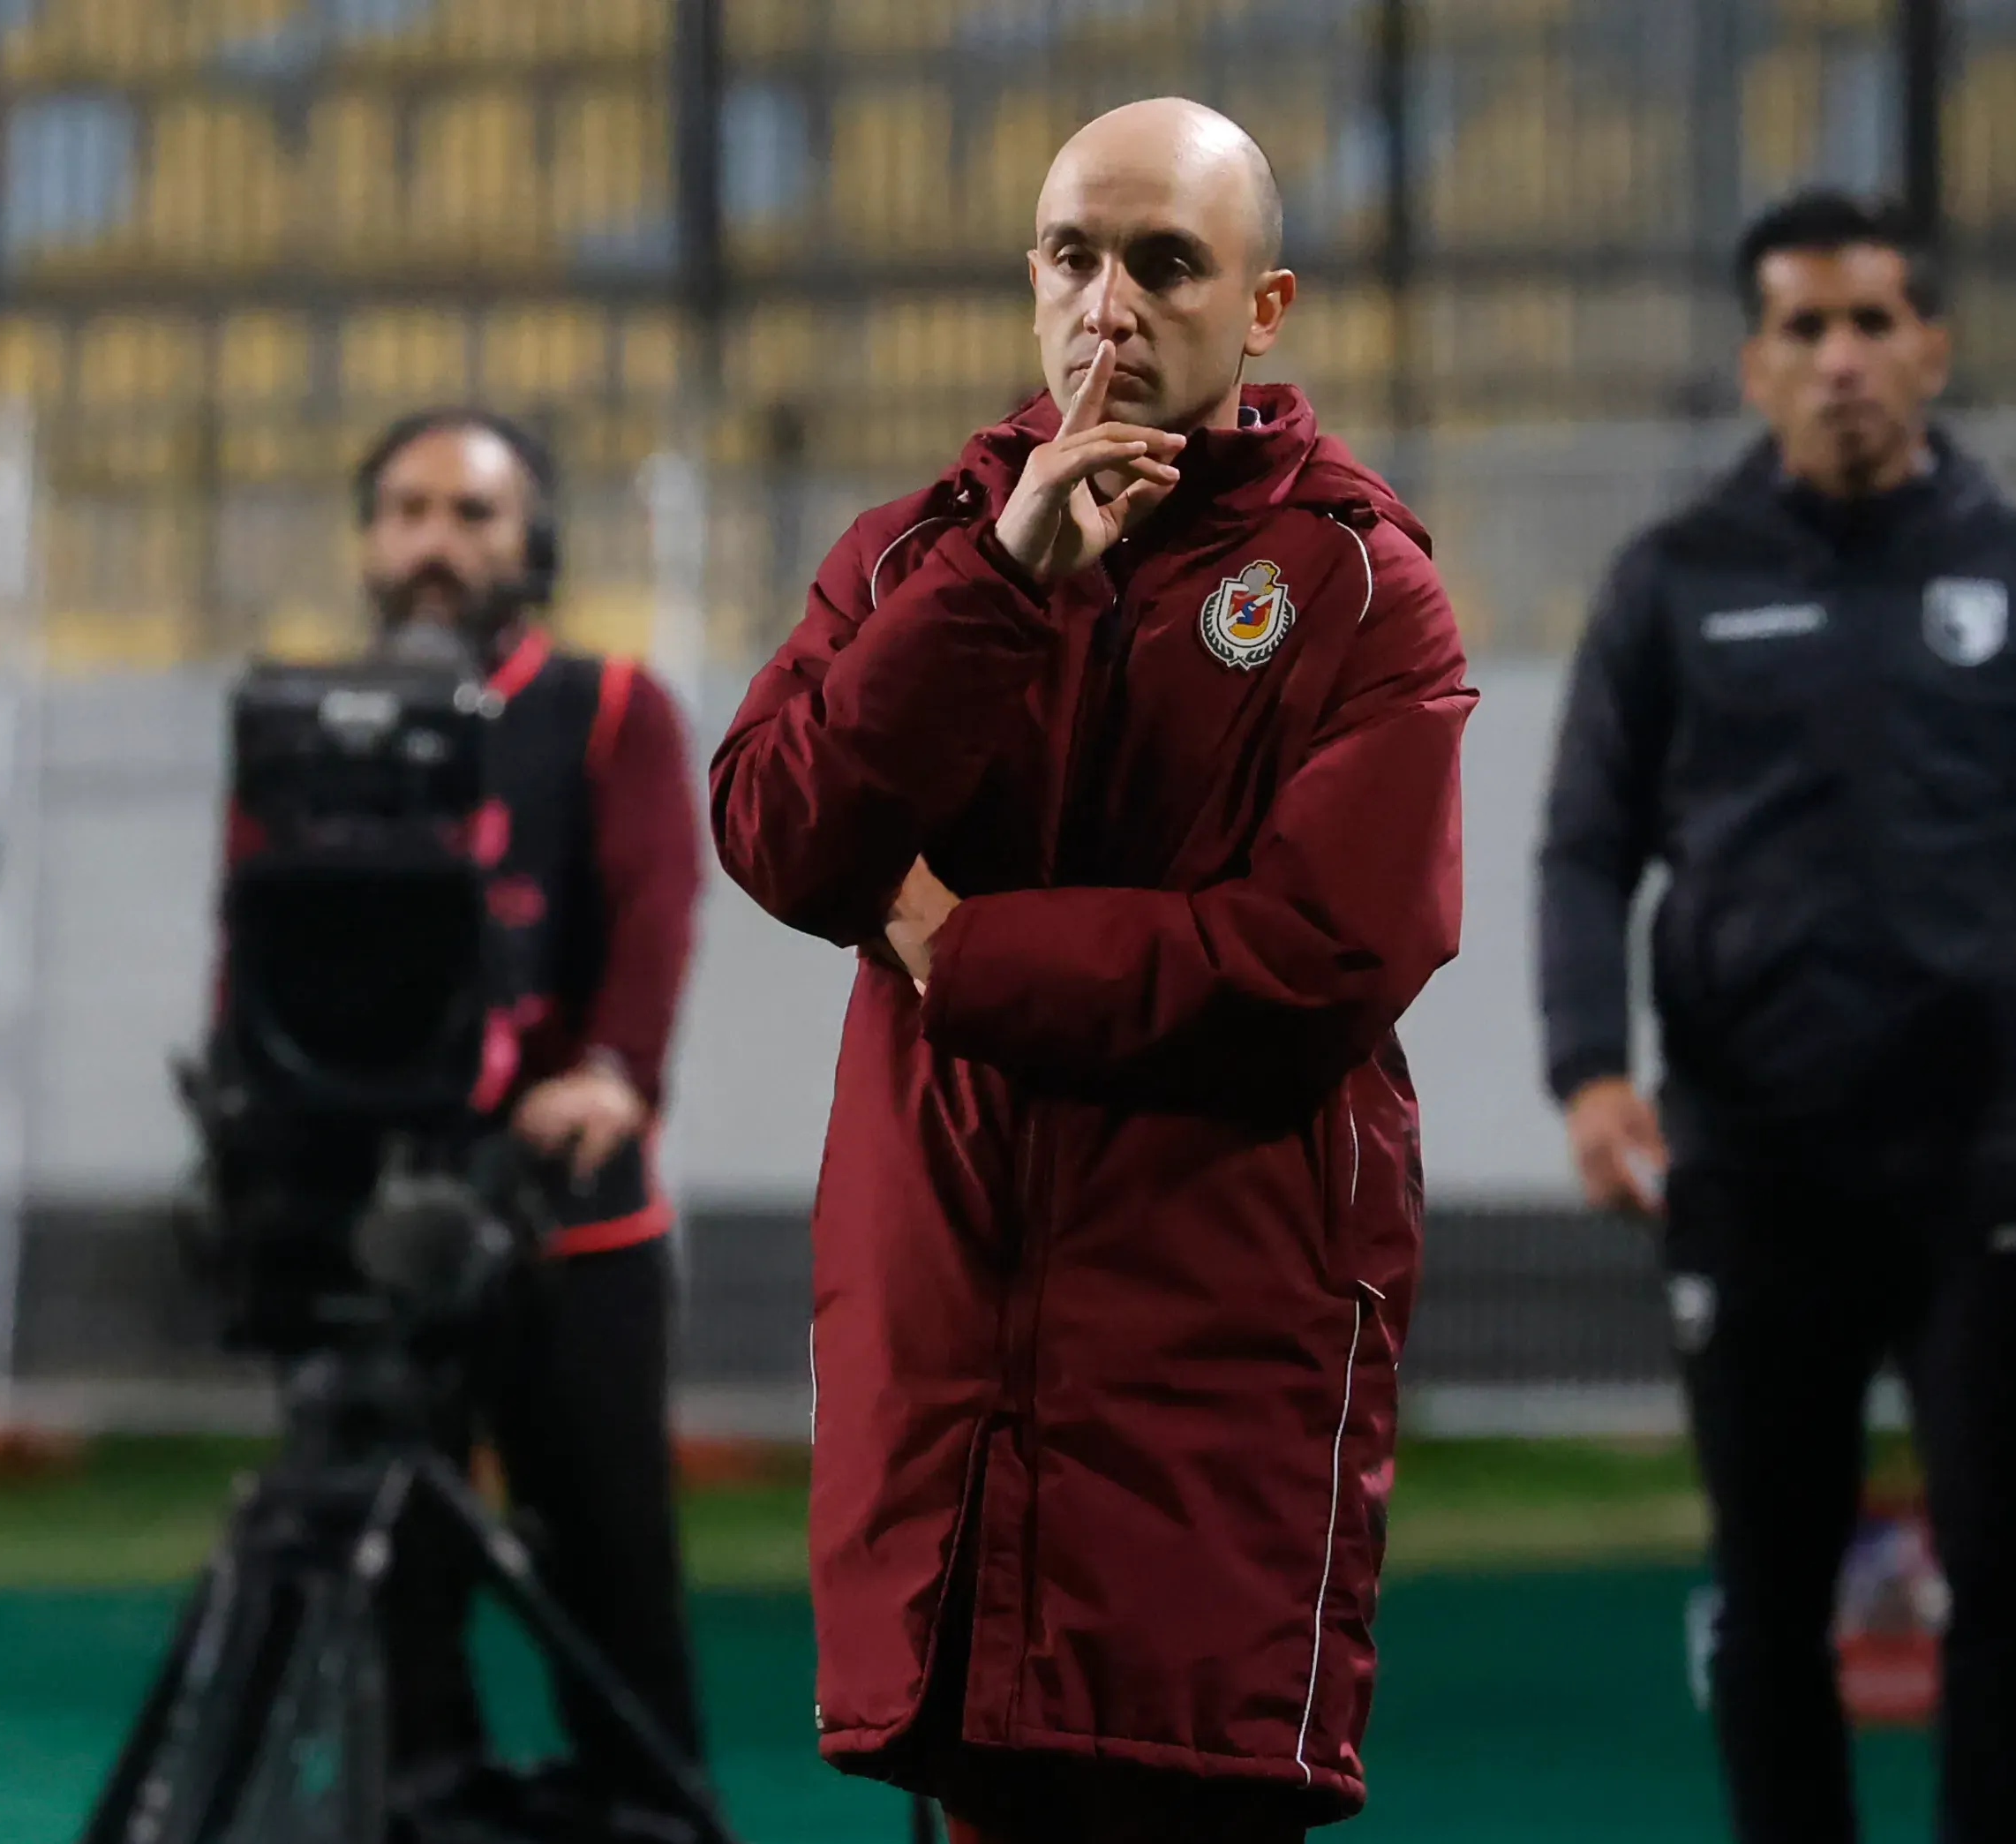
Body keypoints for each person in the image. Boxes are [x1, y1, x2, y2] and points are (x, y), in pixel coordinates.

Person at [714, 99, 1472, 1844]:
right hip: (947, 1330)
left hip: (1219, 1331)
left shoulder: (1359, 586)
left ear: (1262, 306)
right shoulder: (919, 554)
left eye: (1166, 263)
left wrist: (955, 944)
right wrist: (1000, 584)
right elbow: (772, 830)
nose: (1109, 308)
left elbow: (1311, 964)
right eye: (1074, 256)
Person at [1534, 189, 2016, 1844]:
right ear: (1752, 363)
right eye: (1803, 327)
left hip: (1997, 1156)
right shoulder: (1668, 583)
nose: (1839, 357)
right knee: (1772, 1589)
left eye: (1869, 322)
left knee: (2006, 1573)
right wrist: (1585, 1070)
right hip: (1752, 1159)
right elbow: (1582, 846)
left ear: (1928, 345)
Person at [334, 410, 711, 1825]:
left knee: (608, 1550)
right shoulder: (318, 721)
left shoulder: (610, 708)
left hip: (570, 1213)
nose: (437, 540)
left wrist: (613, 1069)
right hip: (372, 1216)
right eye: (410, 509)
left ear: (531, 543)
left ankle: (647, 1815)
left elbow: (658, 910)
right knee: (386, 1572)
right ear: (372, 538)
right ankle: (425, 1807)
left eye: (473, 513)